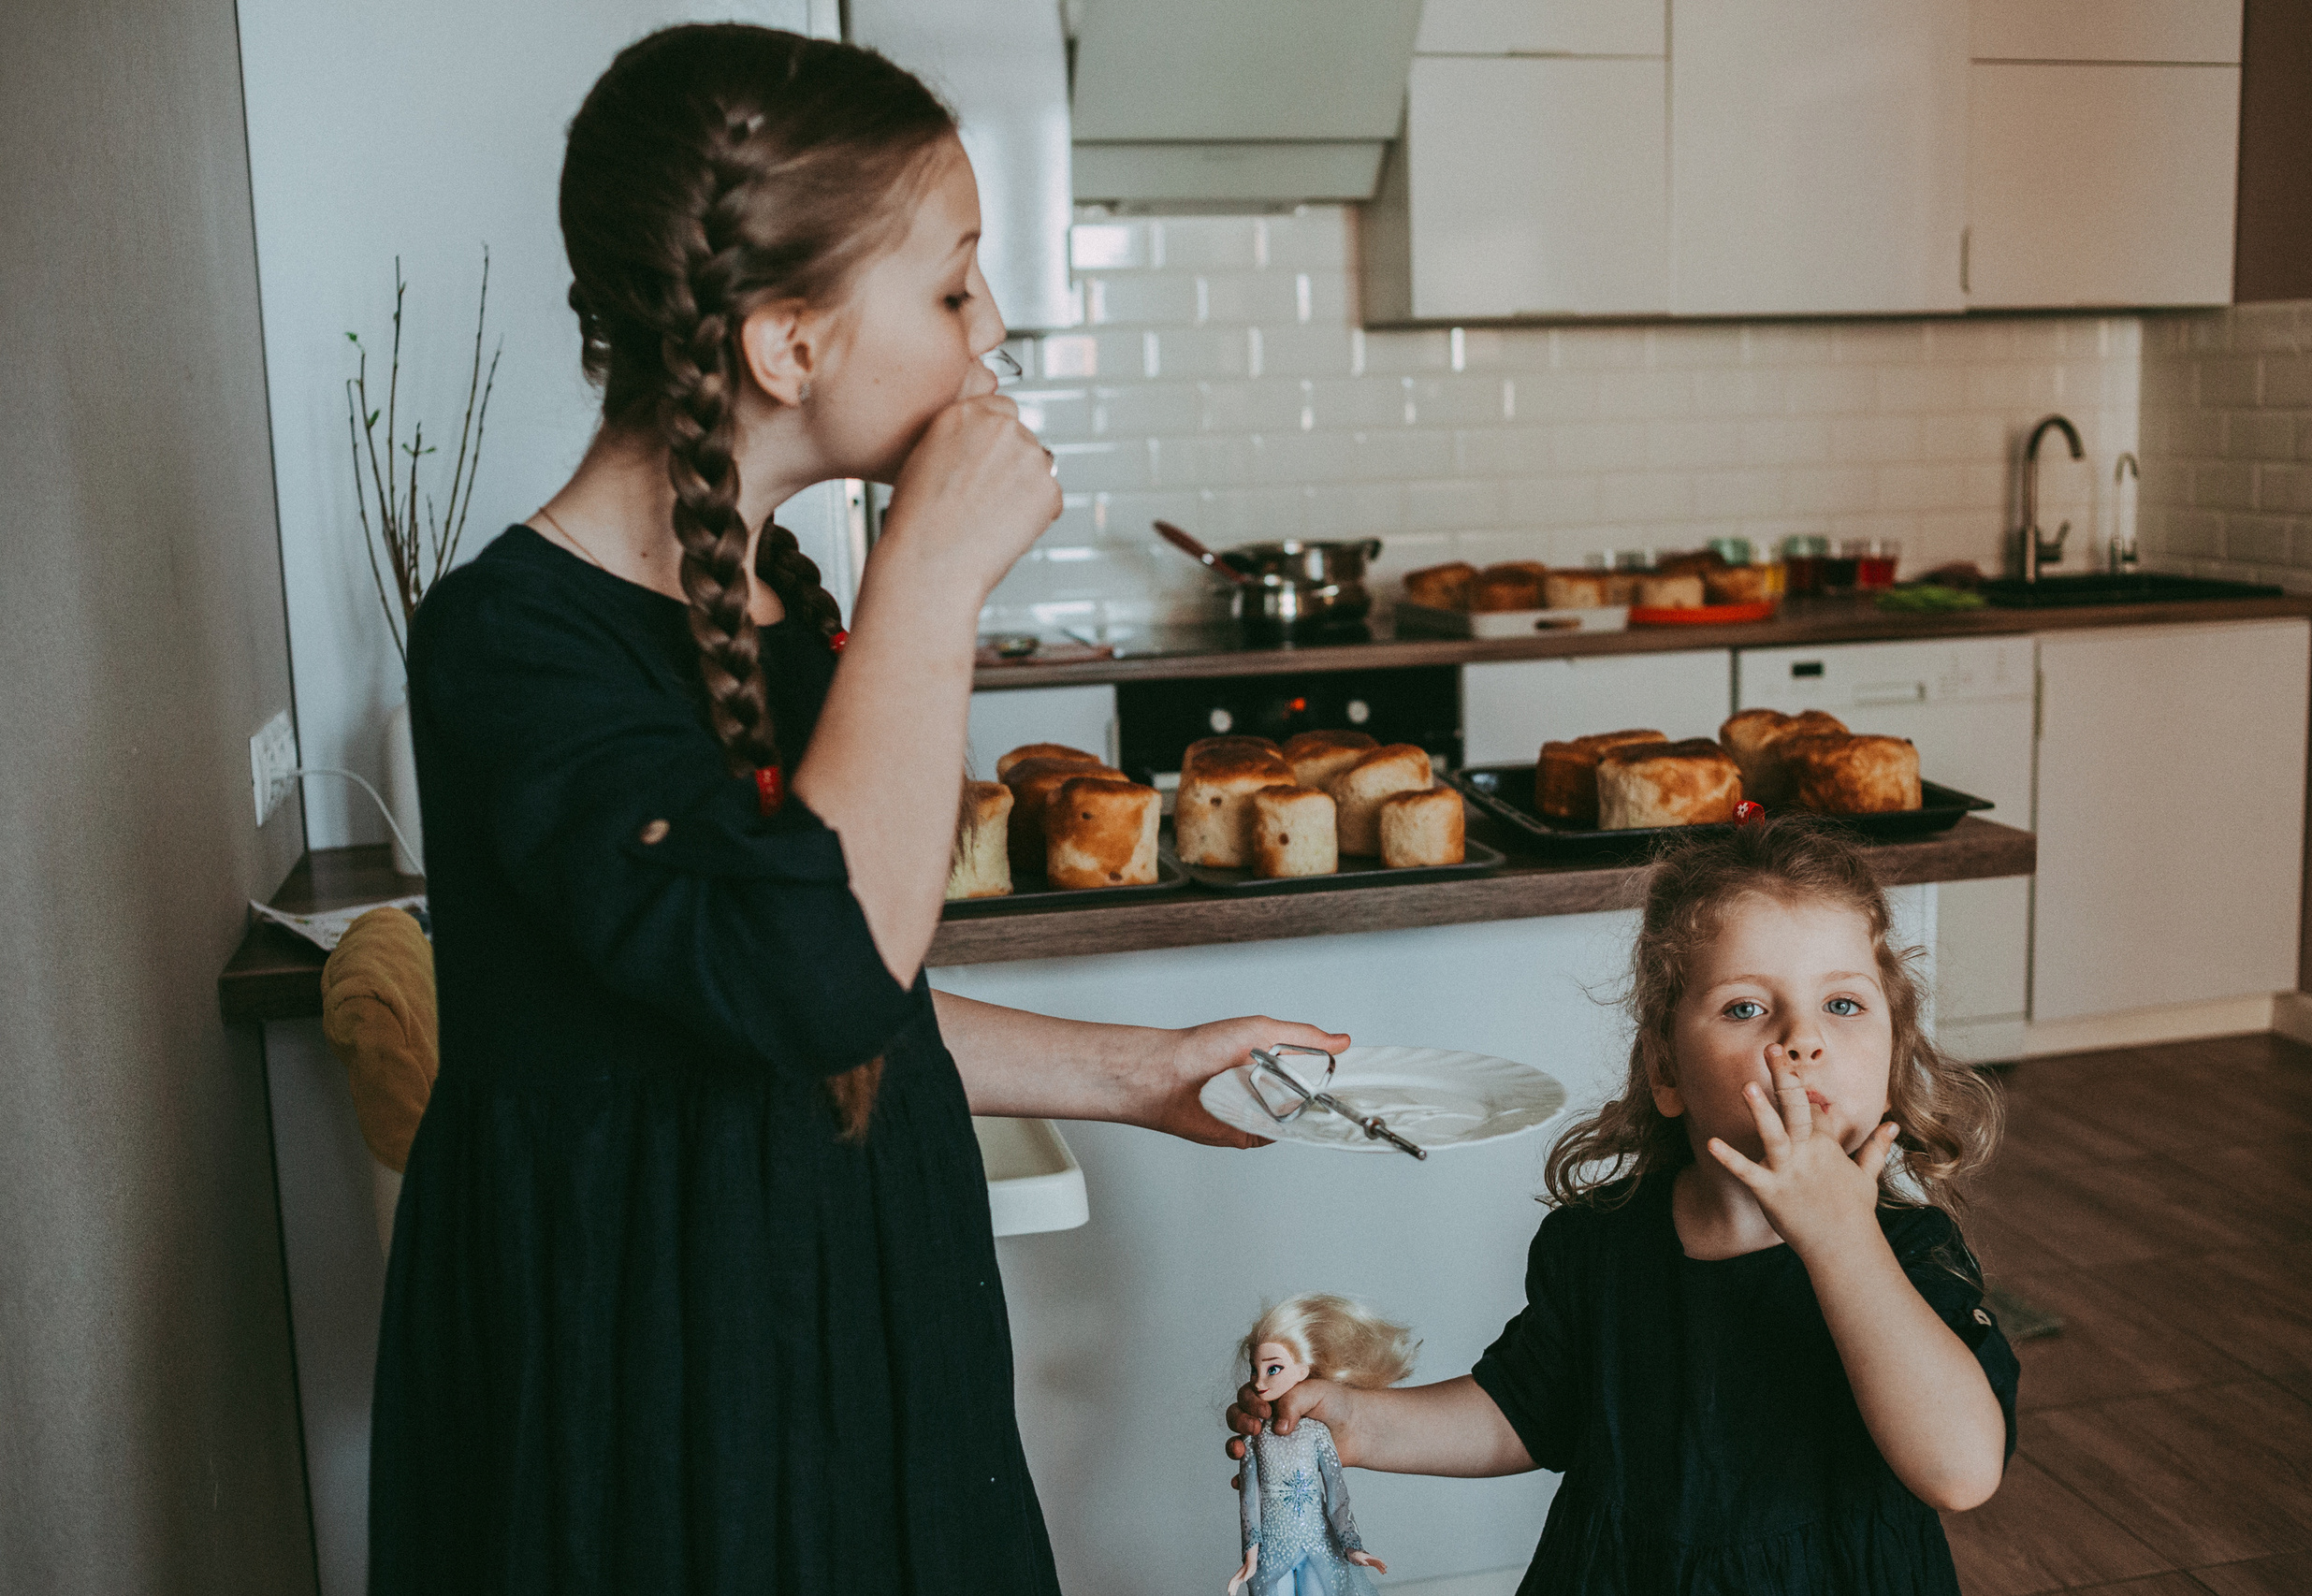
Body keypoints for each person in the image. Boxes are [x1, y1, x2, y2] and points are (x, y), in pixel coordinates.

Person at [373, 24, 1347, 1592]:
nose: (996, 327)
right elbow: (806, 978)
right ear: (787, 342)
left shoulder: (781, 604)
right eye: (957, 285)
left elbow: (839, 998)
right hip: (660, 1381)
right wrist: (935, 576)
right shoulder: (512, 642)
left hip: (851, 1315)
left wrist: (1137, 1068)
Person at [1225, 818, 2018, 1595]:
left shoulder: (1911, 1255)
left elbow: (1959, 1471)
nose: (1801, 1039)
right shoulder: (1600, 1243)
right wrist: (1360, 1424)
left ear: (1893, 1054)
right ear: (1665, 1070)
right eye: (1746, 1008)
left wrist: (1843, 1240)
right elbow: (1526, 1412)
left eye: (1844, 1005)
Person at [1229, 1295, 1413, 1596]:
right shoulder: (1254, 1437)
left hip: (1319, 1544)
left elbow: (1336, 1494)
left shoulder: (1317, 1432)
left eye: (1273, 1369)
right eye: (1254, 1370)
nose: (1259, 1382)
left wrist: (1352, 1546)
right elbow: (1249, 1502)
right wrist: (1250, 1555)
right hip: (1273, 1552)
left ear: (1302, 1371)